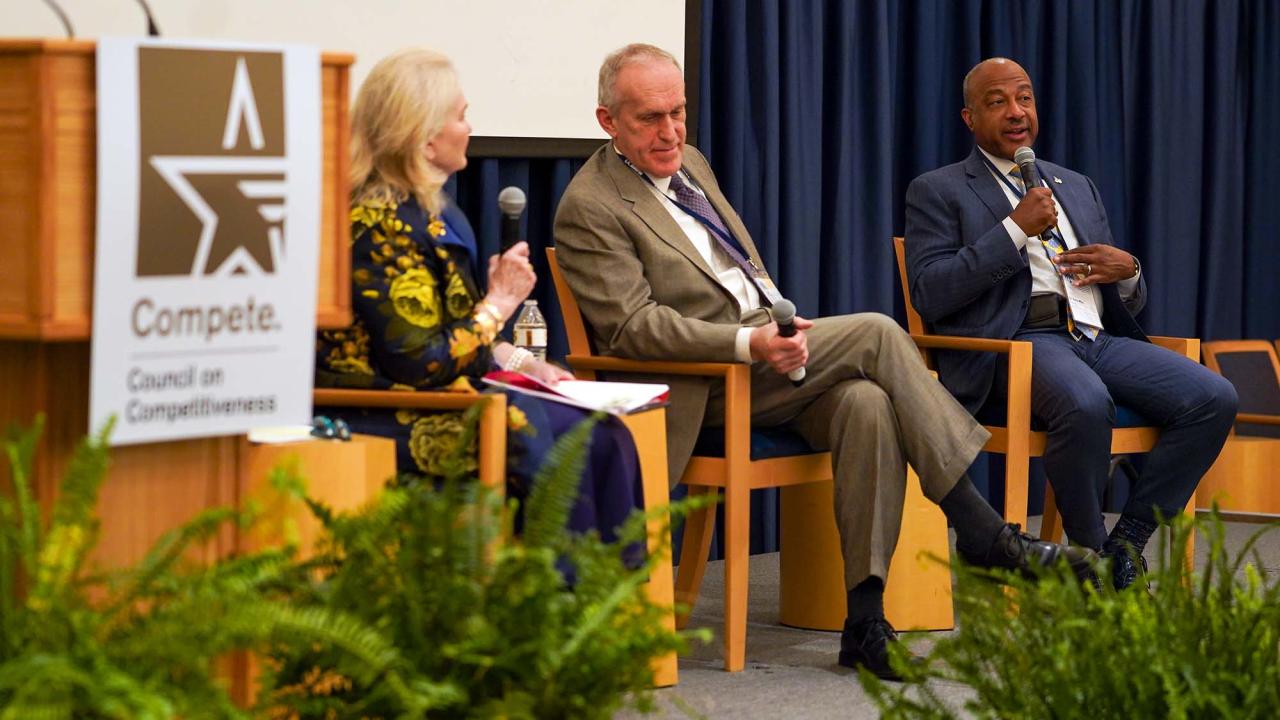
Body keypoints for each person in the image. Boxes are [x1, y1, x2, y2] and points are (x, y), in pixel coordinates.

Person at [553, 43, 1092, 681]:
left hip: (765, 355)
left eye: (679, 112)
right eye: (649, 118)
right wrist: (748, 343)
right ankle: (981, 530)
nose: (670, 132)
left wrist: (776, 330)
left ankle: (865, 621)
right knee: (877, 332)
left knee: (867, 404)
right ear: (606, 120)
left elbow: (738, 272)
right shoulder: (589, 206)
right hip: (701, 384)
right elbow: (630, 329)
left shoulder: (690, 163)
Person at [903, 57, 1238, 590]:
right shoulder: (939, 189)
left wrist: (1128, 271)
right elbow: (931, 290)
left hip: (1096, 335)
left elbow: (1126, 294)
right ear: (969, 118)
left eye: (1025, 99)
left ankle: (1126, 540)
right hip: (1015, 344)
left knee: (1213, 397)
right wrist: (1014, 229)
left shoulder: (1075, 184)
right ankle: (1091, 562)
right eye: (998, 102)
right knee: (1084, 403)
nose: (1016, 112)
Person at [314, 47, 642, 542]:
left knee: (602, 430)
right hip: (380, 407)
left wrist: (525, 366)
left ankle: (606, 602)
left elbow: (459, 333)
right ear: (425, 139)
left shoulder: (436, 212)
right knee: (560, 433)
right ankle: (553, 596)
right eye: (461, 116)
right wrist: (499, 303)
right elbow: (419, 363)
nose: (469, 128)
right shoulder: (376, 225)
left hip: (448, 394)